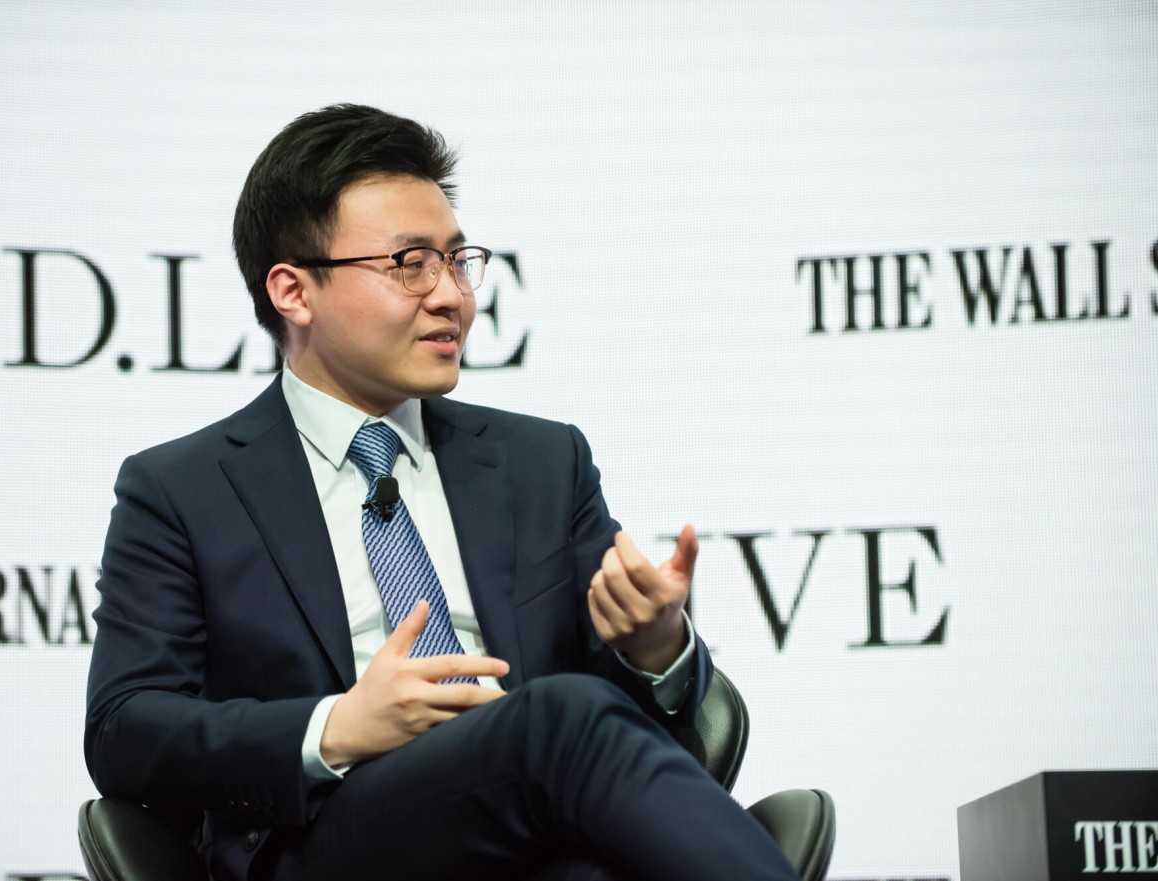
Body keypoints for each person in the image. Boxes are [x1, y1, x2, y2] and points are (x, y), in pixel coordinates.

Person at [84, 103, 797, 881]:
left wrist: (655, 644)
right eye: (410, 263)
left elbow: (631, 718)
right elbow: (125, 729)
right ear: (294, 291)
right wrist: (336, 726)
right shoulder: (181, 488)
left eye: (459, 261)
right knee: (556, 715)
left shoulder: (540, 461)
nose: (452, 295)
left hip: (533, 830)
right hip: (330, 843)